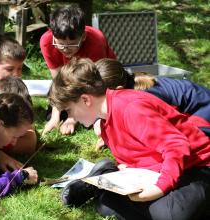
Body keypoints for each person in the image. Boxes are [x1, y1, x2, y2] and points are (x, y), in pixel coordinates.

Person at [48, 58, 210, 219]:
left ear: (85, 100)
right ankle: (107, 176)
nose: (70, 117)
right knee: (106, 207)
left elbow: (176, 145)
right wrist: (130, 169)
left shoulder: (131, 107)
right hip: (159, 168)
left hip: (197, 164)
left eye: (69, 110)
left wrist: (160, 188)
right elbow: (137, 151)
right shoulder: (104, 121)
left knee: (173, 215)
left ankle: (107, 178)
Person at [94, 58, 210, 149]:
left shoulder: (142, 99)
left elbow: (158, 134)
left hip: (203, 112)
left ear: (118, 90)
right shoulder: (130, 86)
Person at [40, 6, 116, 135]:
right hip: (70, 79)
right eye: (60, 43)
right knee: (52, 115)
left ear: (84, 36)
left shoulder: (96, 41)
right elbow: (59, 81)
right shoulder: (47, 42)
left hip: (100, 80)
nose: (65, 49)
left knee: (93, 117)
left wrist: (72, 117)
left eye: (72, 44)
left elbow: (93, 84)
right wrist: (55, 116)